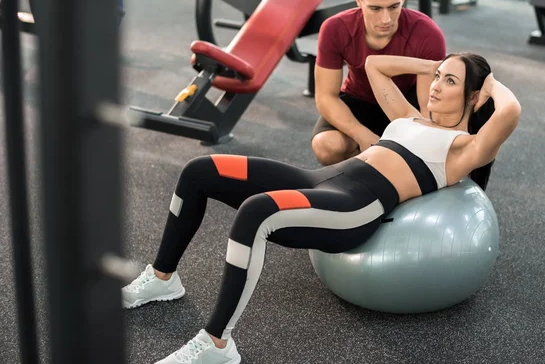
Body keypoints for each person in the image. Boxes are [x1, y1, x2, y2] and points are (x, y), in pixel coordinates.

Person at [122, 53, 521, 364]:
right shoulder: (410, 118)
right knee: (199, 171)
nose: (435, 85)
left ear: (472, 95)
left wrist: (490, 84)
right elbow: (374, 66)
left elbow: (510, 112)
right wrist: (434, 65)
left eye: (449, 81)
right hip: (318, 178)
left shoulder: (464, 148)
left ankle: (216, 343)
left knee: (256, 211)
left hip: (354, 206)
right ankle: (163, 278)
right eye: (437, 78)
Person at [311, 0, 446, 166]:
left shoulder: (427, 33)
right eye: (375, 8)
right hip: (359, 98)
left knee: (422, 151)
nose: (386, 19)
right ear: (359, 0)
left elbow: (428, 111)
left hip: (404, 101)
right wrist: (362, 135)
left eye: (394, 7)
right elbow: (325, 96)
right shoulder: (335, 28)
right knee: (326, 146)